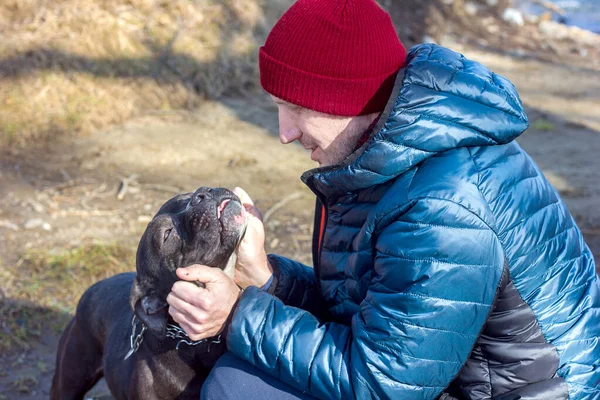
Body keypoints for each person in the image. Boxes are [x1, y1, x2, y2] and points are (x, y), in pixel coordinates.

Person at [166, 0, 600, 399]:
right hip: (453, 379)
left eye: (296, 107)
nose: (284, 132)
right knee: (241, 373)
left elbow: (384, 384)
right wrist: (266, 280)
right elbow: (371, 315)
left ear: (347, 99)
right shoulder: (383, 157)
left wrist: (239, 314)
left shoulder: (444, 207)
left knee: (239, 388)